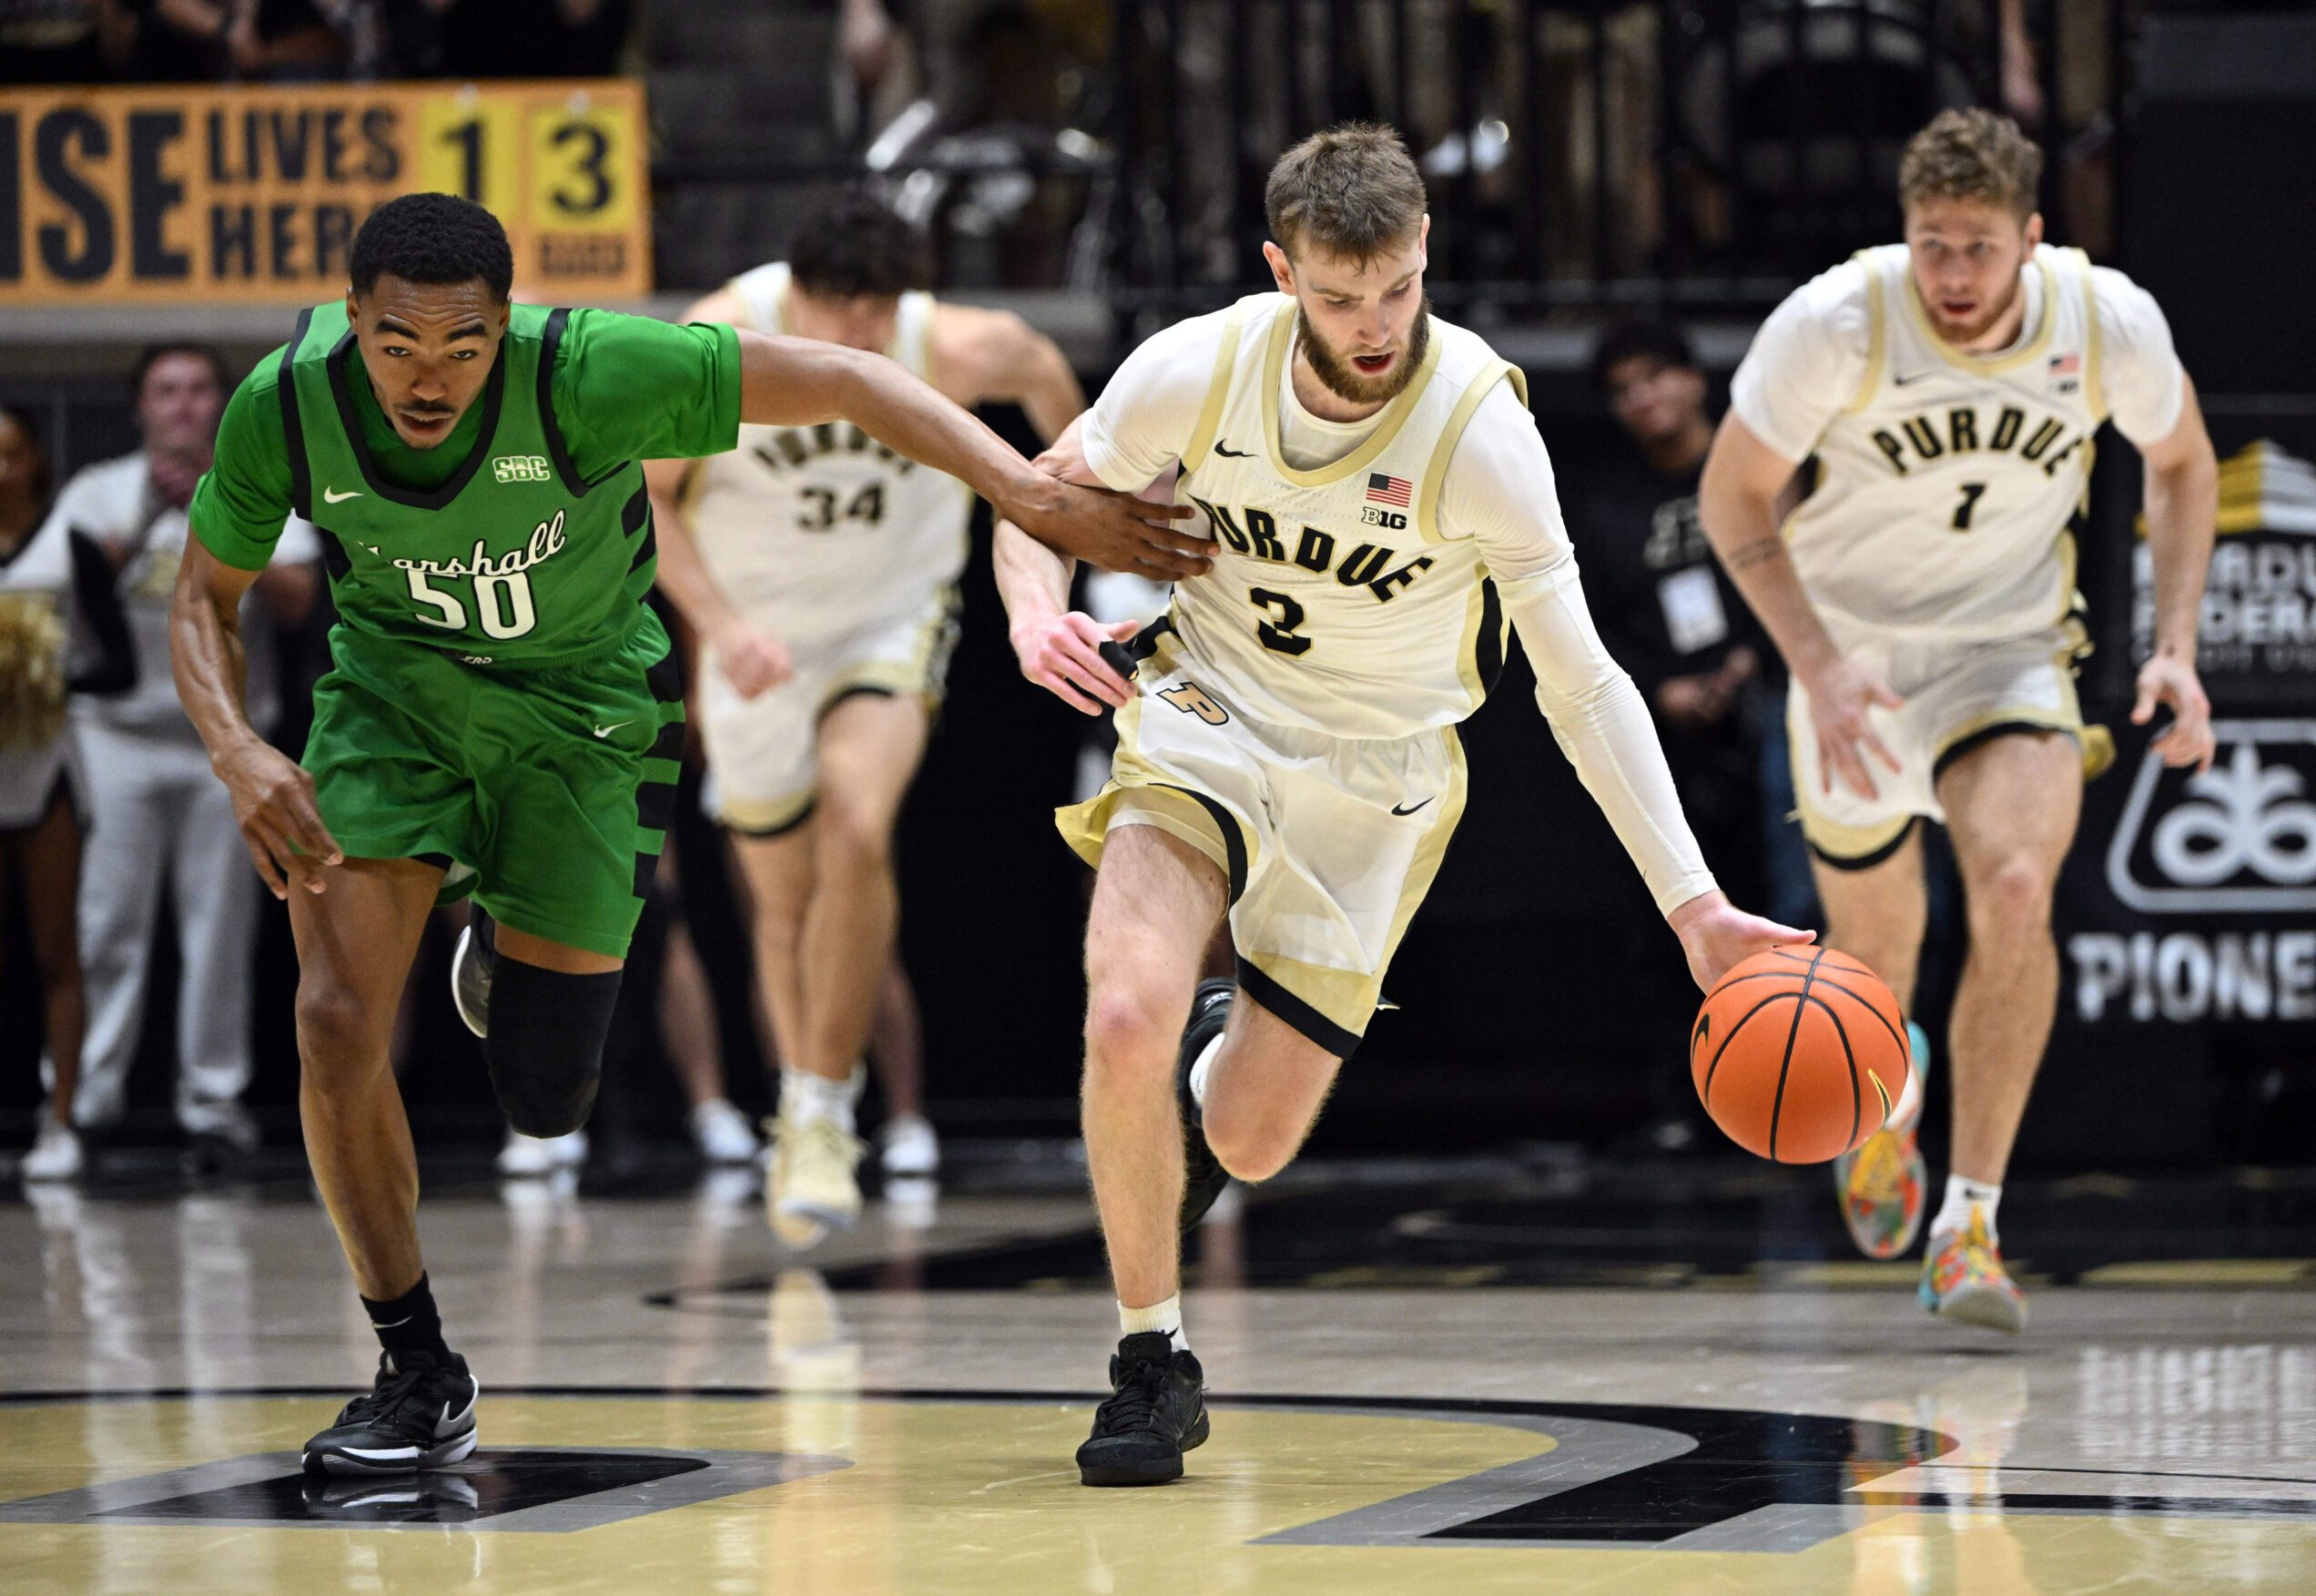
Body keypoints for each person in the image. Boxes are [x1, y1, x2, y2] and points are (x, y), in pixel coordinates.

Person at [169, 189, 1206, 1476]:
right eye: (396, 344)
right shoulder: (286, 400)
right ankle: (414, 1362)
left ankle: (513, 936)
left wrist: (1030, 497)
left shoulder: (593, 367)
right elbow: (200, 595)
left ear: (509, 325)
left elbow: (849, 380)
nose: (427, 378)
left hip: (581, 710)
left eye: (461, 346)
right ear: (349, 319)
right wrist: (236, 747)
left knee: (550, 1098)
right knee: (333, 1018)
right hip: (396, 701)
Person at [992, 124, 1800, 1487]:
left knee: (1244, 1133)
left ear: (1425, 257)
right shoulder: (1197, 369)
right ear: (1280, 270)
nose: (1374, 328)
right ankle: (1149, 1360)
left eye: (1397, 291)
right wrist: (1034, 618)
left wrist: (1696, 908)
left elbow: (1586, 688)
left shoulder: (1481, 431)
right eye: (1338, 296)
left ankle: (1200, 1071)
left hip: (1378, 779)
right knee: (1117, 1001)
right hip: (1206, 714)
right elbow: (1034, 501)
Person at [1698, 108, 2218, 1333]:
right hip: (1854, 662)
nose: (1956, 276)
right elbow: (1732, 495)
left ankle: (1969, 1224)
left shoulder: (2104, 322)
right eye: (1934, 244)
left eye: (1981, 248)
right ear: (1907, 233)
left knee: (2021, 884)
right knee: (1876, 964)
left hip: (2009, 651)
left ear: (2032, 237)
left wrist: (2179, 647)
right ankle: (1895, 1094)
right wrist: (1815, 666)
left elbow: (2185, 461)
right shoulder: (1839, 322)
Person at [649, 189, 1091, 1241]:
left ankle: (817, 1106)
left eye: (876, 315)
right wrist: (713, 625)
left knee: (857, 817)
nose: (859, 338)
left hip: (889, 624)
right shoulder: (716, 342)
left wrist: (1092, 520)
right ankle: (807, 1097)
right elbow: (645, 496)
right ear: (793, 294)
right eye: (839, 313)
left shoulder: (953, 342)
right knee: (781, 902)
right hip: (755, 635)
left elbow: (1042, 376)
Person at [46, 345, 320, 1173]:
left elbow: (303, 598)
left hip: (227, 748)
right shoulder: (96, 488)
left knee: (219, 933)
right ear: (141, 407)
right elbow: (55, 600)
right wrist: (135, 530)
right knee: (105, 925)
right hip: (115, 739)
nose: (185, 406)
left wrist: (214, 519)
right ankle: (83, 1105)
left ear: (222, 404)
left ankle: (213, 1106)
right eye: (167, 391)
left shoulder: (259, 483)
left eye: (201, 390)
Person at [1572, 319, 1773, 1149]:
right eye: (1624, 389)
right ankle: (1688, 1101)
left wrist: (1753, 659)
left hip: (1772, 703)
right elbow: (1590, 625)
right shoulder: (1612, 505)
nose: (1644, 399)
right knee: (1666, 919)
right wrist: (1663, 688)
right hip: (1665, 727)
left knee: (1784, 902)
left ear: (1696, 377)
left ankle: (1788, 1084)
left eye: (1655, 376)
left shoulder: (1755, 467)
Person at [0, 406, 135, 1180]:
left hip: (48, 768)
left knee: (56, 950)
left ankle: (62, 1121)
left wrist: (47, 678)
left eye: (11, 455)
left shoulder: (68, 543)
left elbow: (120, 665)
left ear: (35, 461)